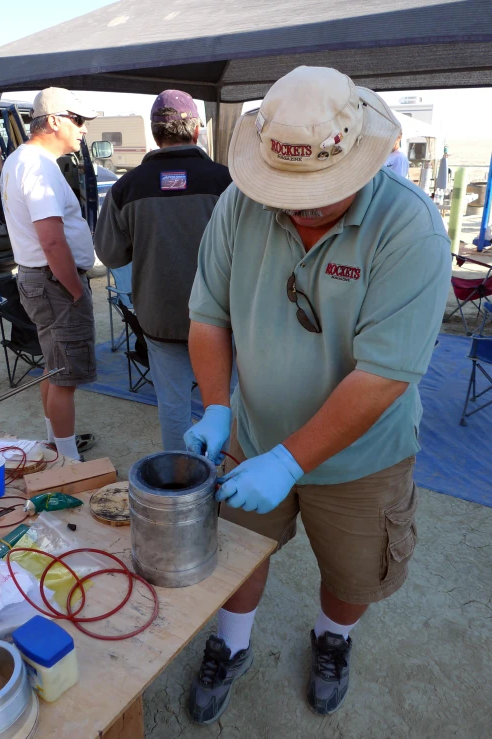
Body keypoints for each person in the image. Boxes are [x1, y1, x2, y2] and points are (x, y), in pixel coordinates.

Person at [184, 66, 451, 723]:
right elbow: (208, 315)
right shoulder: (238, 203)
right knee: (237, 552)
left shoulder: (409, 229)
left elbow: (384, 375)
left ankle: (333, 639)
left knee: (353, 571)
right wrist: (219, 404)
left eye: (317, 193)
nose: (299, 206)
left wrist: (292, 460)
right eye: (286, 189)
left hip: (364, 458)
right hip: (254, 431)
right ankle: (231, 643)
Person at [95, 90, 232, 451]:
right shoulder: (228, 182)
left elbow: (110, 253)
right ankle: (231, 478)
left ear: (156, 134)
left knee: (172, 407)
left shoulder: (125, 188)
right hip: (222, 321)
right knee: (226, 405)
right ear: (197, 129)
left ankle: (182, 483)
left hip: (160, 319)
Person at [0, 87, 98, 461]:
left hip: (39, 278)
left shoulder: (20, 159)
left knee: (53, 366)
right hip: (53, 281)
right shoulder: (38, 165)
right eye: (78, 120)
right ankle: (68, 462)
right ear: (54, 121)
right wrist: (74, 289)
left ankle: (55, 446)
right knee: (64, 376)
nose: (83, 129)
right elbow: (52, 241)